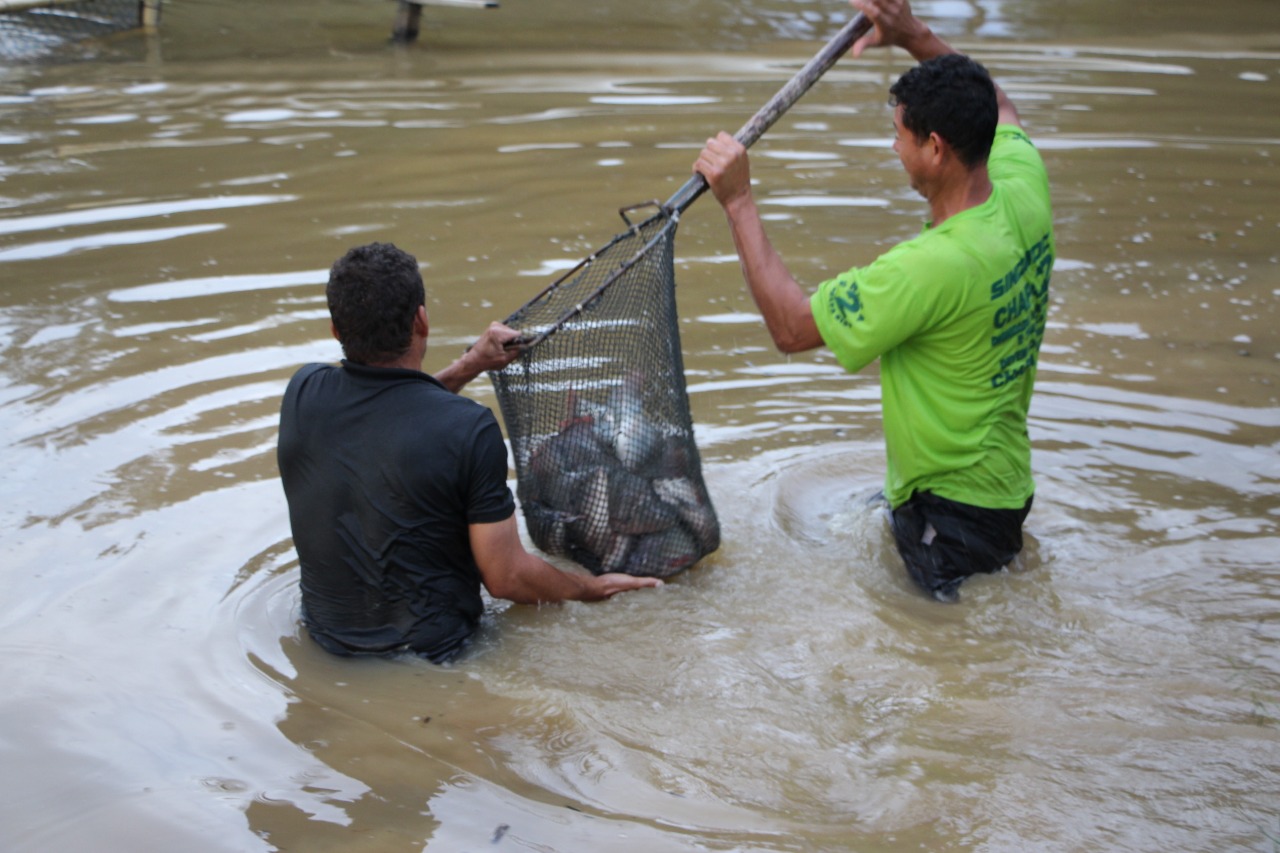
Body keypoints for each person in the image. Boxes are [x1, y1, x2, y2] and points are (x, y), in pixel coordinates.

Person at [693, 0, 1053, 602]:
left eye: (899, 135)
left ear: (935, 148)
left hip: (951, 513)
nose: (893, 148)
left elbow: (790, 327)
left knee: (947, 663)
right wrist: (913, 34)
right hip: (1005, 488)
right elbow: (1002, 105)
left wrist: (738, 201)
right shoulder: (1023, 186)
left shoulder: (927, 268)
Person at [277, 242, 661, 662]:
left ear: (335, 329)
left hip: (323, 641)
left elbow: (388, 412)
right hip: (437, 658)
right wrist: (592, 587)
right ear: (421, 320)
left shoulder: (303, 393)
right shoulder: (468, 428)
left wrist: (469, 365)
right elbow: (508, 578)